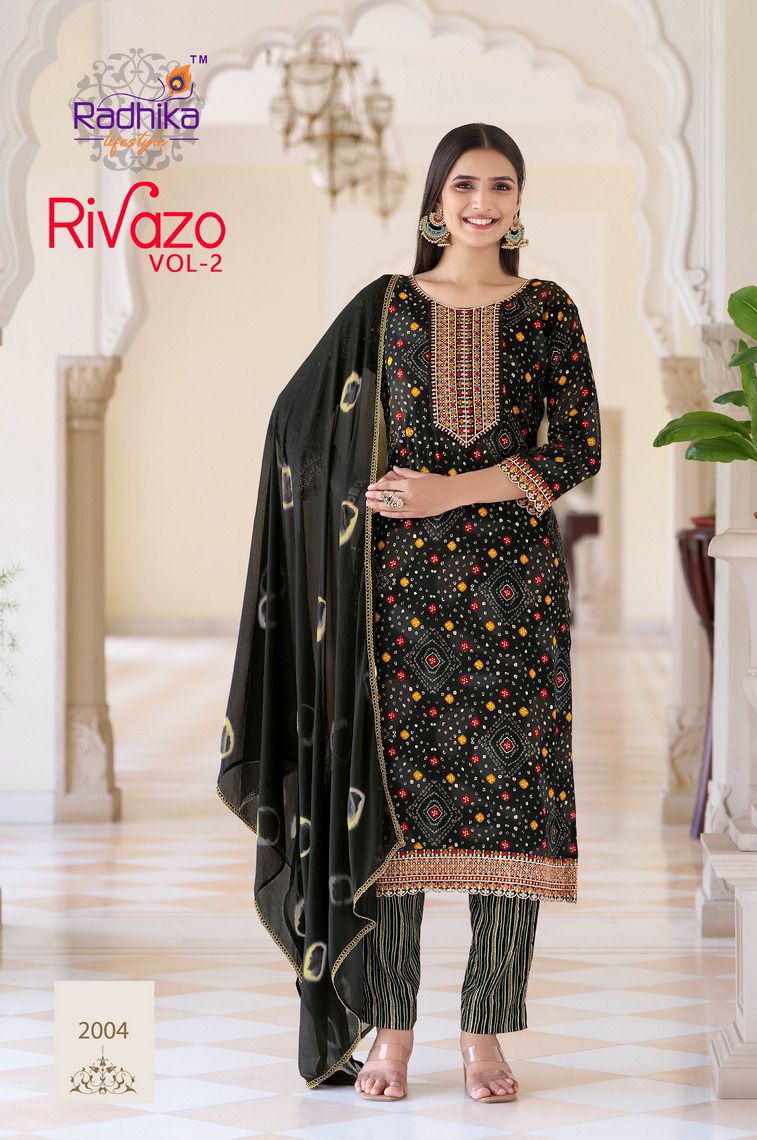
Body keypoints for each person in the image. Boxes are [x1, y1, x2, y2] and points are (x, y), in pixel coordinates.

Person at [216, 122, 601, 1104]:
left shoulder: (549, 309)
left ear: (520, 201)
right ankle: (391, 1030)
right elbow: (296, 424)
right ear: (435, 201)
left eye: (501, 185)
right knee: (392, 814)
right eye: (464, 185)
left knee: (511, 813)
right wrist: (354, 501)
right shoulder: (383, 309)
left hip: (514, 595)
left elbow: (575, 449)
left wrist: (450, 491)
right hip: (396, 597)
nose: (482, 202)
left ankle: (484, 1032)